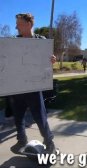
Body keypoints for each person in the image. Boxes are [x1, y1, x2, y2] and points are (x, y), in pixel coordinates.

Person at [9, 13, 56, 154]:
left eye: (19, 23)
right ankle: (21, 140)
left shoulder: (41, 41)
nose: (16, 26)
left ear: (28, 24)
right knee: (18, 116)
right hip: (17, 86)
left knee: (39, 116)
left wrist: (52, 60)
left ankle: (49, 143)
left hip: (33, 86)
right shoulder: (13, 42)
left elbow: (46, 64)